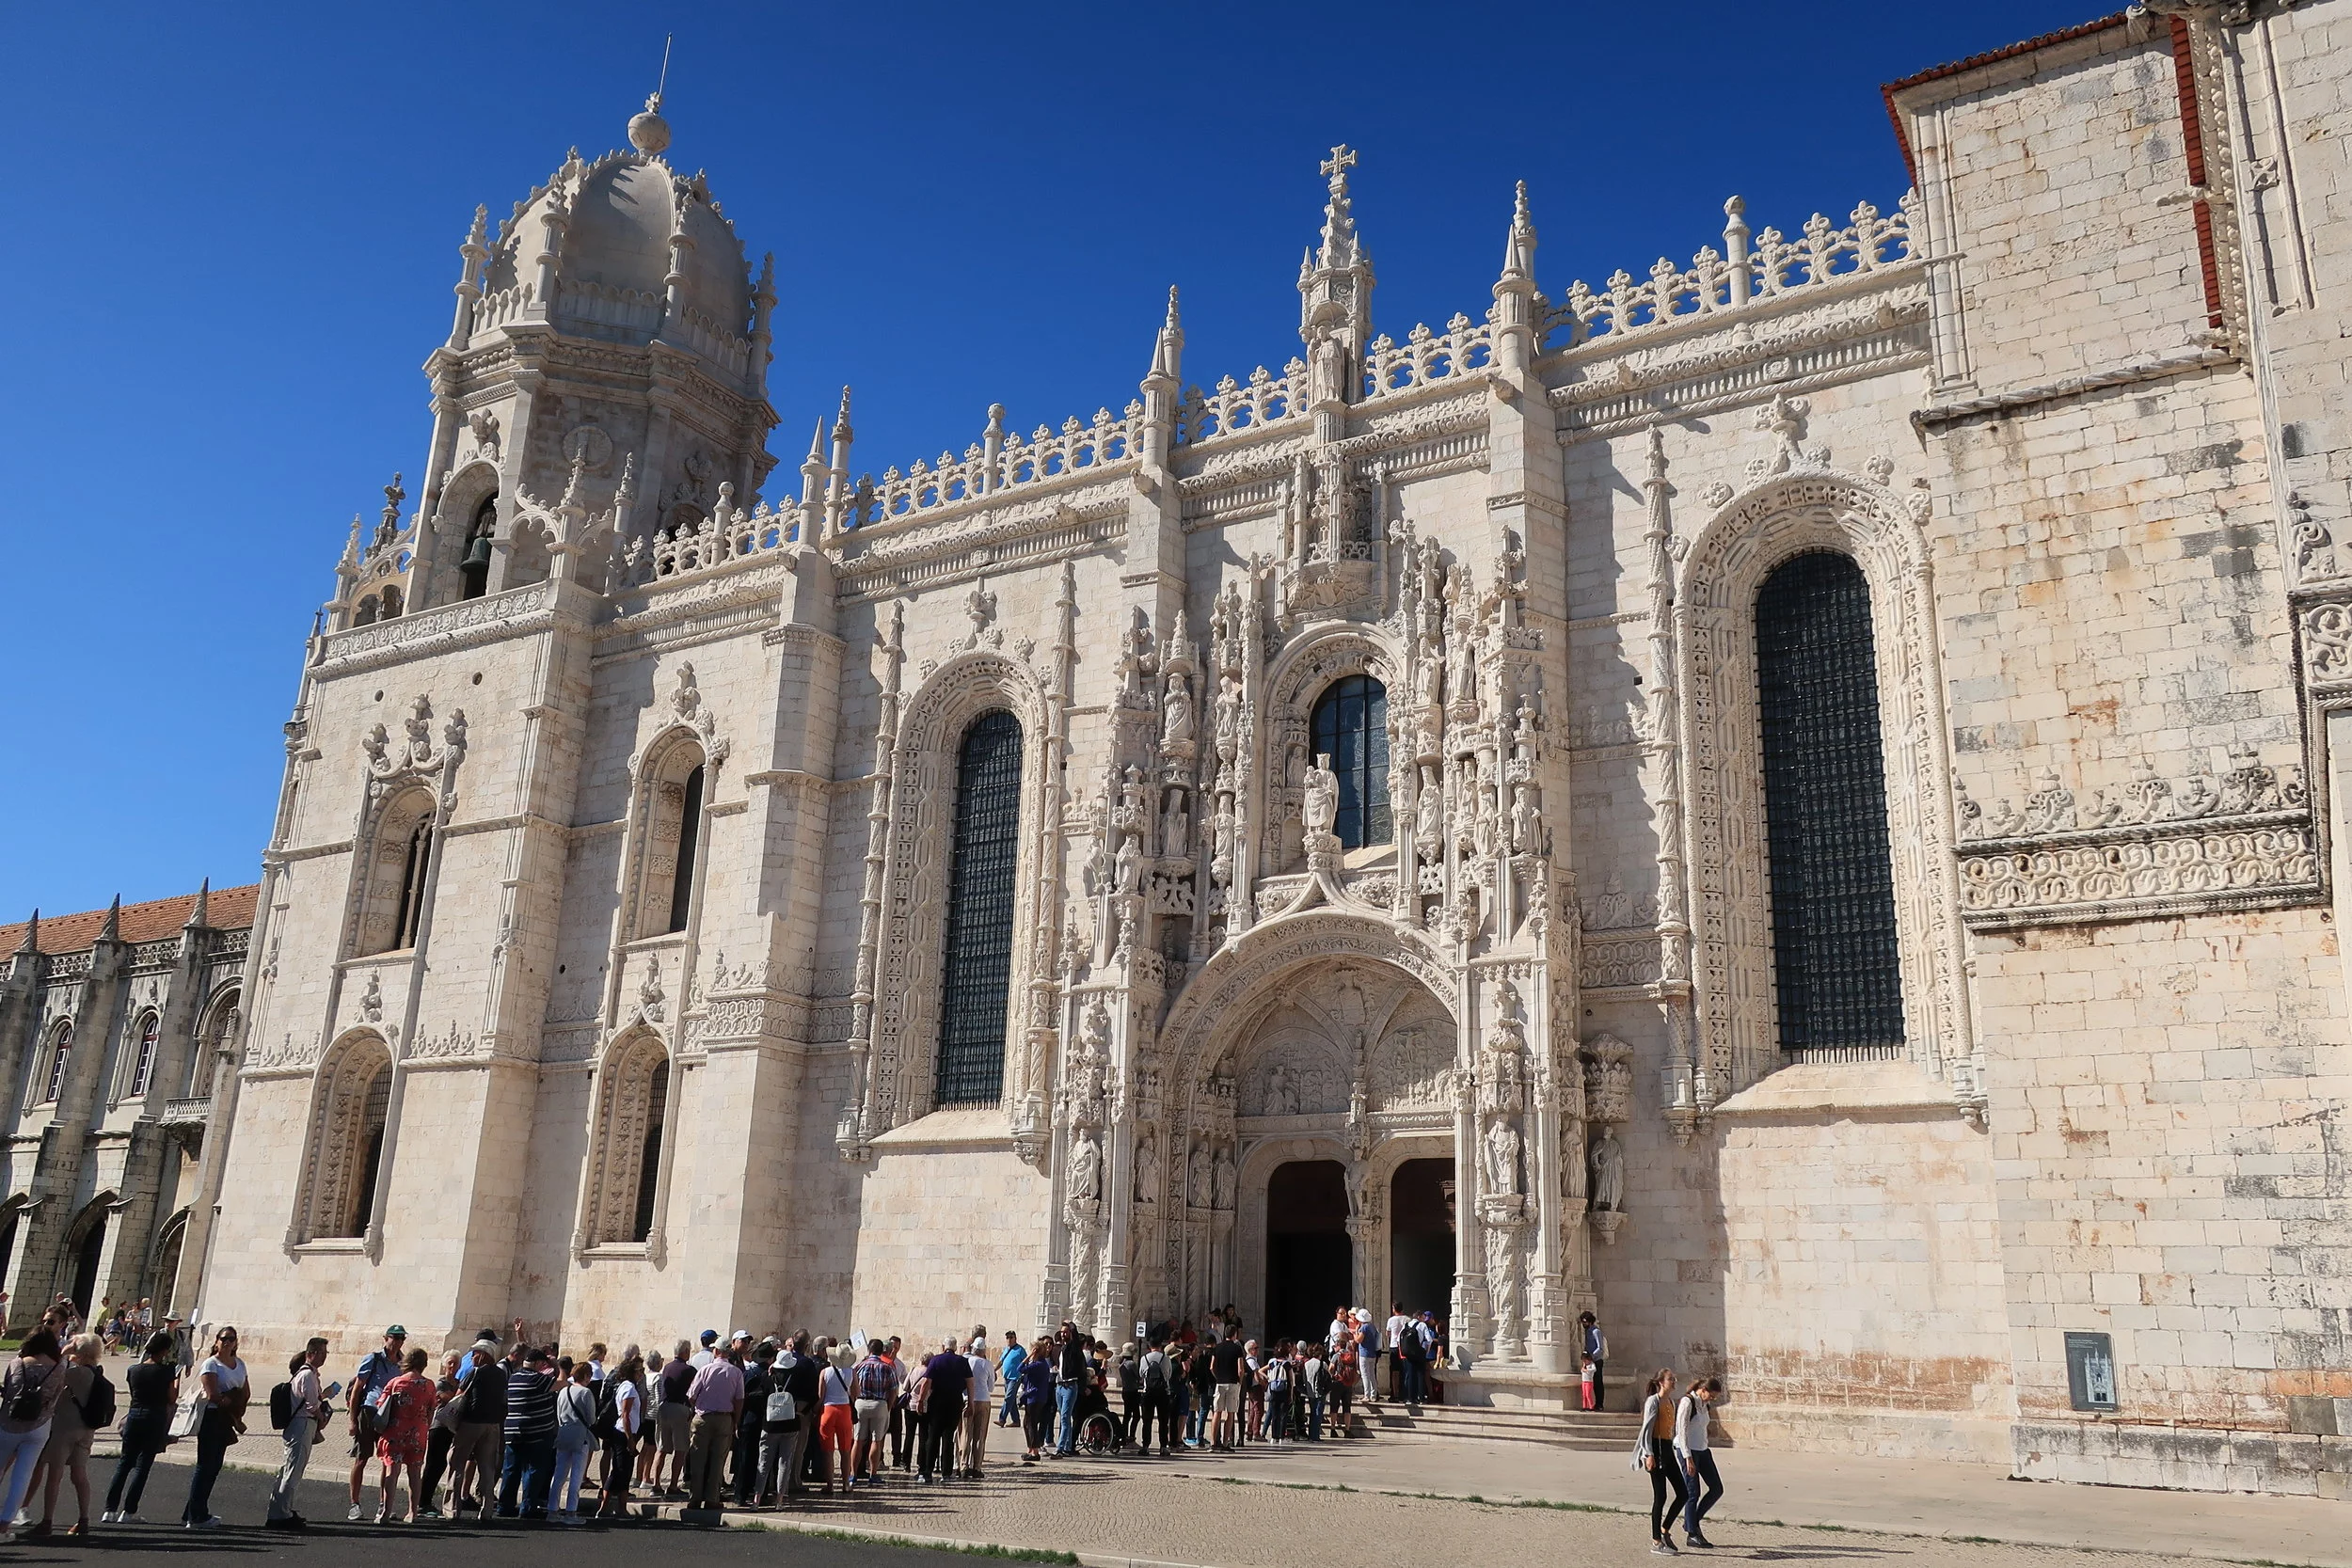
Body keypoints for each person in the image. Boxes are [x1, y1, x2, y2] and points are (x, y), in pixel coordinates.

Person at [27, 1332, 103, 1538]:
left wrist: (63, 1353)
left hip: (64, 1427)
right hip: (86, 1428)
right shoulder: (96, 1372)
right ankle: (83, 1519)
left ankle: (47, 1521)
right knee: (79, 1475)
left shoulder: (75, 1372)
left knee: (55, 1475)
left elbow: (51, 1373)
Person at [103, 1330, 178, 1524]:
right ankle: (129, 1510)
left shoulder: (133, 1370)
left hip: (135, 1414)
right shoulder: (166, 1371)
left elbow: (133, 1391)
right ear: (164, 1350)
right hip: (155, 1416)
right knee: (142, 1466)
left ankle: (110, 1509)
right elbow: (171, 1397)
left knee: (124, 1463)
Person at [181, 1325, 247, 1530]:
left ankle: (192, 1511)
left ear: (236, 1343)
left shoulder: (240, 1364)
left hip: (227, 1418)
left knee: (214, 1467)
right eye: (223, 1338)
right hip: (212, 1417)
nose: (227, 1342)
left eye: (231, 1339)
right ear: (217, 1341)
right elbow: (212, 1395)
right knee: (205, 1467)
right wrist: (232, 1400)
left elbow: (246, 1390)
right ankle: (196, 1517)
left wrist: (237, 1404)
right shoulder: (211, 1364)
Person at [265, 1338, 332, 1529]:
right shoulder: (307, 1375)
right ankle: (281, 1514)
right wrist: (322, 1418)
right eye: (321, 1353)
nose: (324, 1357)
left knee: (289, 1469)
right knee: (292, 1471)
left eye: (325, 1353)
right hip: (302, 1424)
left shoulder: (307, 1374)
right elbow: (312, 1405)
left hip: (300, 1424)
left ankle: (280, 1510)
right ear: (311, 1354)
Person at [344, 1324, 407, 1521]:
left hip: (389, 1415)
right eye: (393, 1337)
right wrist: (352, 1420)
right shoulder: (373, 1359)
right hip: (369, 1411)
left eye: (401, 1338)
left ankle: (383, 1504)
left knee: (387, 1460)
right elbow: (357, 1390)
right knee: (361, 1458)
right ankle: (354, 1504)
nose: (397, 1342)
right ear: (385, 1338)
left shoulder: (403, 1363)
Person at [497, 1344, 560, 1520]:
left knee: (511, 1469)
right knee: (533, 1470)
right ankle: (528, 1507)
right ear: (538, 1363)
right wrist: (556, 1366)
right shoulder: (539, 1379)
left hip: (513, 1430)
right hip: (536, 1431)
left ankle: (504, 1505)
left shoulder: (514, 1378)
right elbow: (562, 1383)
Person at [450, 1332, 509, 1515]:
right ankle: (487, 1508)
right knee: (487, 1467)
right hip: (493, 1424)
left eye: (475, 1354)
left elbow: (459, 1395)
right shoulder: (501, 1374)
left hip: (472, 1422)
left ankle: (453, 1507)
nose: (472, 1357)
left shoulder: (475, 1373)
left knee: (457, 1463)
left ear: (483, 1355)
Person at [1632, 1369, 1690, 1555]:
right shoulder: (1653, 1401)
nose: (1674, 1382)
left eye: (1674, 1379)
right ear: (1661, 1382)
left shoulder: (1671, 1402)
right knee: (1660, 1496)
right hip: (1655, 1450)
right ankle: (1656, 1541)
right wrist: (1648, 1454)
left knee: (1683, 1493)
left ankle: (1665, 1529)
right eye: (1670, 1379)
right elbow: (1647, 1429)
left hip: (1667, 1450)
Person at [683, 1335, 744, 1512]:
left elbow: (691, 1395)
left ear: (716, 1351)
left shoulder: (705, 1370)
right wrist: (736, 1421)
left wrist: (699, 1406)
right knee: (718, 1461)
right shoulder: (736, 1372)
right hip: (725, 1418)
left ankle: (695, 1498)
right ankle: (712, 1498)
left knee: (698, 1459)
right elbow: (739, 1400)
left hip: (703, 1417)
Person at [374, 1347, 434, 1524]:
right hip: (418, 1433)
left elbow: (381, 1405)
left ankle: (386, 1512)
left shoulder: (395, 1383)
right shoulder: (429, 1385)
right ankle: (412, 1512)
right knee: (415, 1473)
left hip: (396, 1432)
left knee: (392, 1472)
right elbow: (431, 1410)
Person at [1676, 1376, 1724, 1549]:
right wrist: (1687, 1457)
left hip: (1703, 1450)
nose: (1712, 1399)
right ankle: (1692, 1534)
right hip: (1688, 1451)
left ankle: (1692, 1521)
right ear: (1703, 1390)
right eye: (1711, 1396)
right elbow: (1681, 1430)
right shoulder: (1687, 1402)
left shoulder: (1705, 1404)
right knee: (1693, 1492)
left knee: (1717, 1488)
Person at [596, 1350, 645, 1519]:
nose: (641, 1373)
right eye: (639, 1370)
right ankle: (604, 1507)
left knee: (625, 1472)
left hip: (625, 1433)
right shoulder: (629, 1388)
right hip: (623, 1434)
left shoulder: (627, 1386)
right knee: (619, 1471)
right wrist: (630, 1439)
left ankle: (621, 1508)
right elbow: (625, 1415)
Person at [914, 1335, 969, 1482]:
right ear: (955, 1347)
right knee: (948, 1438)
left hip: (937, 1402)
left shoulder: (936, 1360)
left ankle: (927, 1472)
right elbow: (970, 1382)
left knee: (933, 1437)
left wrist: (921, 1400)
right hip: (955, 1402)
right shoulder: (962, 1362)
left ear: (943, 1347)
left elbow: (926, 1382)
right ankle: (946, 1474)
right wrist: (972, 1402)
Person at [548, 1359, 597, 1522]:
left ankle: (552, 1510)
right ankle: (571, 1512)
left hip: (563, 1433)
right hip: (579, 1436)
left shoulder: (563, 1391)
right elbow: (591, 1418)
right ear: (586, 1376)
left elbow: (558, 1414)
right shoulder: (585, 1393)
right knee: (576, 1475)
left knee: (559, 1475)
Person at [416, 1351, 463, 1519]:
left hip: (451, 1427)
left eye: (455, 1363)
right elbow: (449, 1398)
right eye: (450, 1363)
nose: (452, 1366)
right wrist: (460, 1396)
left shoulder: (458, 1383)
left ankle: (425, 1500)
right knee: (433, 1464)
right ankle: (422, 1502)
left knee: (441, 1464)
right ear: (444, 1364)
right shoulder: (441, 1383)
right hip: (438, 1426)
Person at [732, 1338, 773, 1507]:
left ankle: (740, 1495)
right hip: (765, 1420)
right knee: (763, 1459)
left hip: (747, 1419)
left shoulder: (747, 1374)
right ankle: (760, 1494)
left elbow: (739, 1397)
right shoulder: (770, 1376)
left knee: (744, 1458)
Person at [655, 1338, 695, 1496]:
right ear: (685, 1352)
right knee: (680, 1449)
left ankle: (656, 1485)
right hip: (680, 1408)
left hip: (664, 1407)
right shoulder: (689, 1370)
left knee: (661, 1448)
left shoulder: (667, 1367)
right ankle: (672, 1486)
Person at [850, 1338, 893, 1485]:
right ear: (882, 1351)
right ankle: (873, 1474)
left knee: (858, 1440)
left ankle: (853, 1474)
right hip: (879, 1403)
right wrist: (888, 1406)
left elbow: (852, 1387)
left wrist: (854, 1401)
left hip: (861, 1402)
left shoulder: (859, 1366)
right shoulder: (887, 1367)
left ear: (869, 1350)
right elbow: (893, 1389)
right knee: (876, 1440)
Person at [1016, 1334, 1055, 1462]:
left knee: (1031, 1424)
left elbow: (1020, 1368)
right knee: (1027, 1424)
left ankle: (1035, 1451)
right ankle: (1031, 1448)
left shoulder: (1039, 1364)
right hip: (1035, 1396)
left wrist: (1029, 1356)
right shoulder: (1041, 1364)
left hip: (1034, 1397)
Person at [961, 1336, 993, 1478]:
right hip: (984, 1400)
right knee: (980, 1435)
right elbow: (991, 1387)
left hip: (968, 1399)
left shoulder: (968, 1361)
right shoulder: (988, 1364)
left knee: (966, 1434)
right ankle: (977, 1467)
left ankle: (963, 1465)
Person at [1136, 1338, 1172, 1454]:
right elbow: (1169, 1375)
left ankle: (1146, 1446)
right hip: (1163, 1392)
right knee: (1163, 1421)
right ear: (1161, 1346)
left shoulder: (1144, 1358)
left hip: (1148, 1392)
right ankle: (1163, 1446)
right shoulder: (1165, 1358)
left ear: (1149, 1346)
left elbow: (1141, 1374)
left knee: (1147, 1420)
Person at [994, 1330, 1026, 1426]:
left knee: (1008, 1398)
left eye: (1011, 1337)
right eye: (1007, 1338)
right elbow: (1001, 1361)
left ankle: (1002, 1419)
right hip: (1007, 1378)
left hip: (1015, 1378)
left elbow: (1026, 1361)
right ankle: (1016, 1420)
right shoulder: (1006, 1350)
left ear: (1015, 1338)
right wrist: (994, 1370)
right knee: (1011, 1400)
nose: (1009, 1340)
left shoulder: (1020, 1350)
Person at [1580, 1311, 1608, 1412]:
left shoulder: (1596, 1331)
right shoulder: (1587, 1332)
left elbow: (1600, 1348)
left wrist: (1592, 1356)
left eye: (1585, 1322)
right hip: (1589, 1361)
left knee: (1597, 1382)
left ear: (1590, 1321)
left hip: (1596, 1360)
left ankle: (1599, 1404)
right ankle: (1589, 1404)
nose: (1584, 1324)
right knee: (1588, 1383)